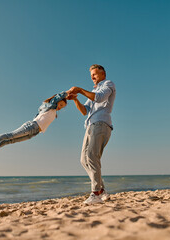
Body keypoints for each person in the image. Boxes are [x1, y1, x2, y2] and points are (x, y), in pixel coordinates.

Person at [67, 64, 116, 204]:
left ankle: (95, 193)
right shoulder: (93, 91)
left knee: (92, 156)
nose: (92, 77)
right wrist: (76, 98)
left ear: (103, 74)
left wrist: (80, 90)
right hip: (90, 126)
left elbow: (99, 98)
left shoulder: (108, 84)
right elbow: (84, 111)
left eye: (95, 74)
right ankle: (101, 190)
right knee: (84, 159)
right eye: (91, 75)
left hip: (101, 124)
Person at [0, 92, 68, 162]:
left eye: (62, 107)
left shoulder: (54, 112)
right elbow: (57, 97)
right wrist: (68, 93)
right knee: (10, 135)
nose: (60, 107)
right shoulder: (50, 106)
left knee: (9, 141)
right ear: (56, 101)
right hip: (32, 126)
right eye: (60, 104)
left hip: (35, 132)